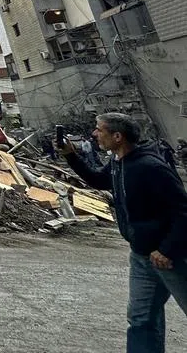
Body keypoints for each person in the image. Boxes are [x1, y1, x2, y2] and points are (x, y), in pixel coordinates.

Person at [62, 112, 187, 352]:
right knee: (140, 318)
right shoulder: (117, 163)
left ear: (117, 136)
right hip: (141, 257)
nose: (94, 134)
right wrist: (71, 155)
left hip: (171, 258)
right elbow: (98, 180)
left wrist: (167, 249)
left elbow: (183, 211)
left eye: (99, 129)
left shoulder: (150, 167)